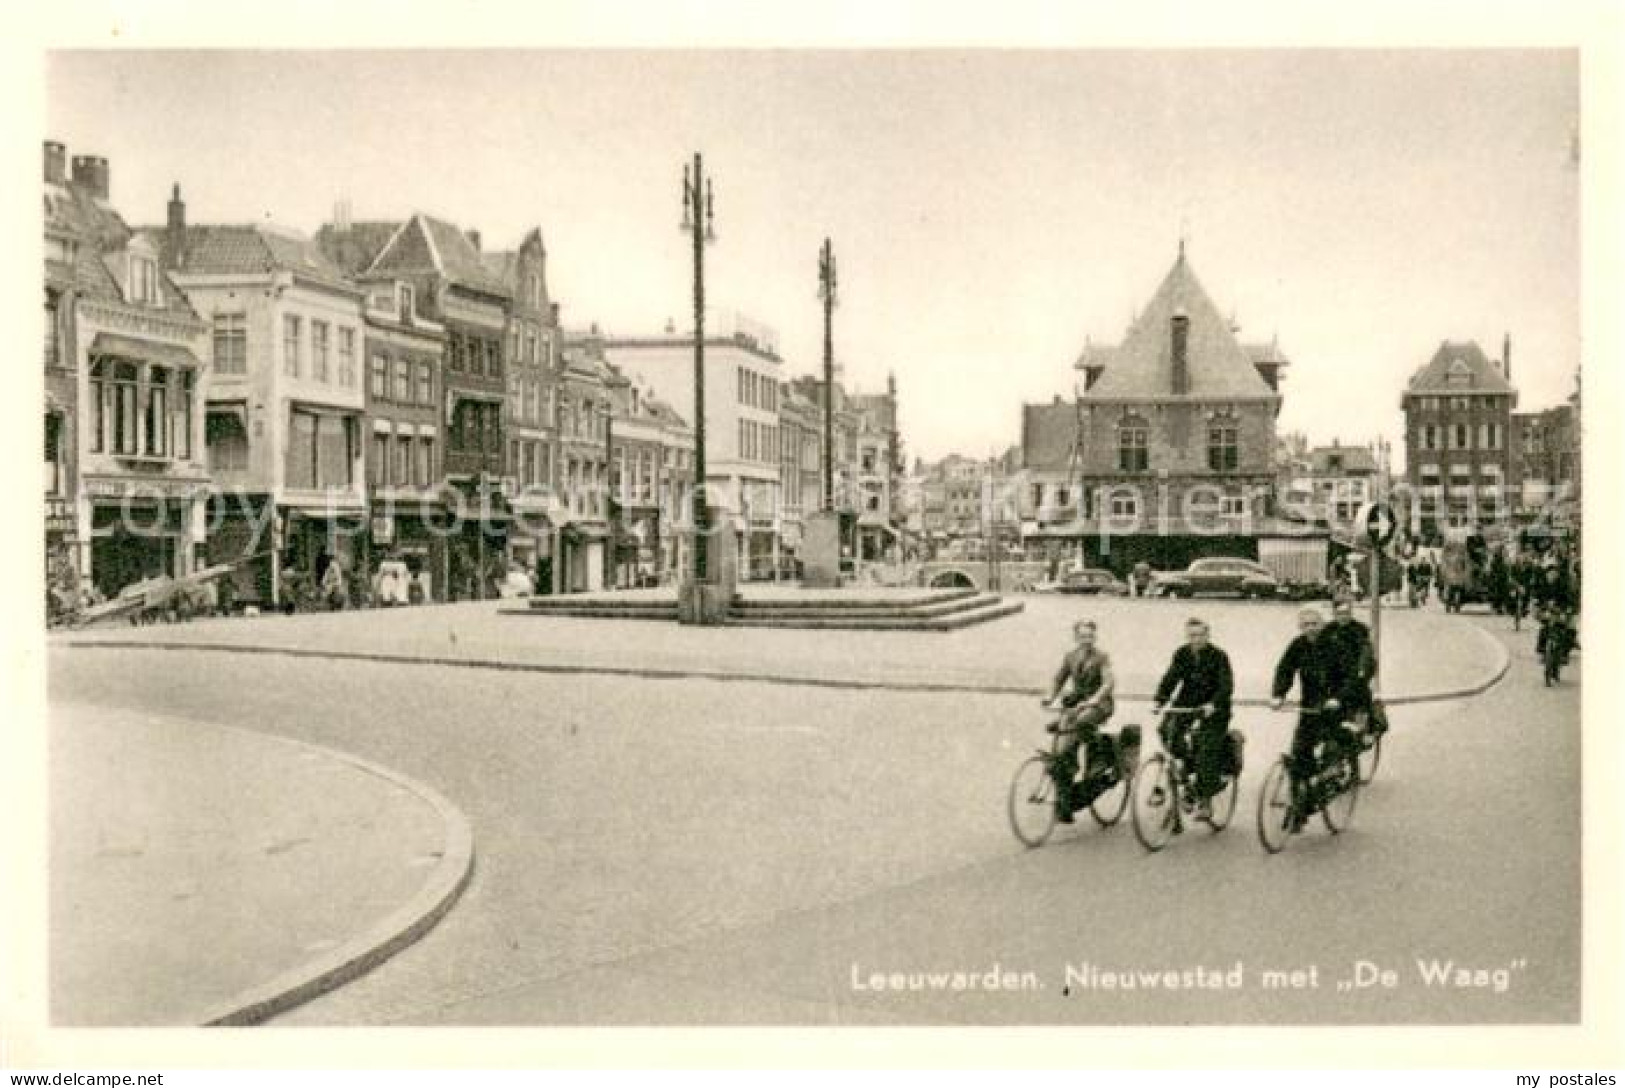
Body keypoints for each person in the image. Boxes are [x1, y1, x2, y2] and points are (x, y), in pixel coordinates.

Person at [1270, 607, 1345, 831]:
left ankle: (1332, 778)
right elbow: (1285, 669)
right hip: (1310, 707)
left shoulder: (1335, 645)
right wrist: (1278, 695)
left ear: (1322, 624)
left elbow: (1348, 676)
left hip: (1334, 708)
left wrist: (1338, 698)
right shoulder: (1297, 645)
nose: (1310, 629)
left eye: (1314, 624)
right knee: (1298, 755)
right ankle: (1299, 810)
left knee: (1331, 748)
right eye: (1305, 625)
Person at [1152, 617, 1235, 807]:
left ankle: (1205, 800)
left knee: (1207, 747)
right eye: (1191, 636)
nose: (1195, 639)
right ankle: (1187, 765)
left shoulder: (1219, 656)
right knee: (1166, 731)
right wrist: (1160, 700)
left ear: (1207, 635)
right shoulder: (1181, 654)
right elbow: (1170, 678)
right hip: (1187, 704)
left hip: (1214, 708)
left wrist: (1213, 704)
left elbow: (1226, 685)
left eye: (1199, 635)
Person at [1043, 619, 1117, 823]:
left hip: (1100, 705)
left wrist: (1094, 700)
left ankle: (1092, 755)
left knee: (1080, 724)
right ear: (1076, 637)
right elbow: (1058, 679)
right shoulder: (1070, 656)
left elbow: (1108, 682)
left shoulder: (1102, 657)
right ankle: (1065, 804)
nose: (1087, 640)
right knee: (1062, 750)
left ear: (1095, 637)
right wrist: (1049, 696)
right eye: (1083, 636)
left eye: (1090, 636)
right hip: (1077, 704)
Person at [1324, 598, 1385, 736]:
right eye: (1339, 613)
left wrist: (1362, 668)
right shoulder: (1329, 629)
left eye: (1346, 613)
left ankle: (1367, 730)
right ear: (1334, 614)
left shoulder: (1359, 629)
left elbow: (1366, 650)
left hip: (1357, 671)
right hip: (1336, 673)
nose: (1343, 617)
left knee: (1358, 692)